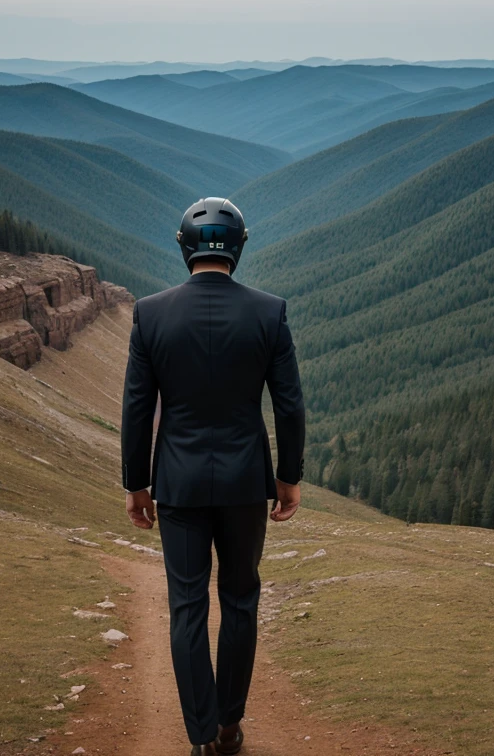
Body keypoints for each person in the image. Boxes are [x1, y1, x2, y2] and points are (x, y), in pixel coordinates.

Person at [121, 197, 306, 756]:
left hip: (176, 485)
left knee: (187, 607)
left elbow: (136, 407)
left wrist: (137, 484)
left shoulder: (150, 314)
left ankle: (200, 735)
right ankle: (229, 728)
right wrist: (288, 476)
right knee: (241, 599)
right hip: (246, 485)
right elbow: (290, 405)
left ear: (184, 247)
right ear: (239, 247)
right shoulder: (269, 312)